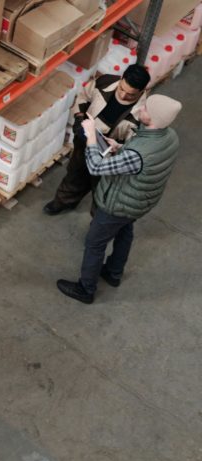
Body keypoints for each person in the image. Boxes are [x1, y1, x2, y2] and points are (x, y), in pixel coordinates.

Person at [57, 95, 181, 304]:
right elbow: (143, 157)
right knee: (125, 231)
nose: (140, 108)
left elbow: (96, 167)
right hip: (139, 202)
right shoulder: (169, 136)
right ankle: (113, 273)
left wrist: (91, 138)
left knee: (94, 243)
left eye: (145, 108)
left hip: (119, 204)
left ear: (152, 117)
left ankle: (85, 289)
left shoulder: (138, 154)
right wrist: (119, 147)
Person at [43, 64, 151, 215]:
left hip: (109, 158)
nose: (123, 96)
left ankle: (97, 219)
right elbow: (83, 96)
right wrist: (79, 117)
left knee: (101, 190)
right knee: (75, 173)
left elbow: (136, 146)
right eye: (122, 89)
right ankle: (64, 201)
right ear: (121, 78)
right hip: (85, 141)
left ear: (142, 90)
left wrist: (118, 147)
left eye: (131, 95)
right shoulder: (105, 82)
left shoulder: (143, 114)